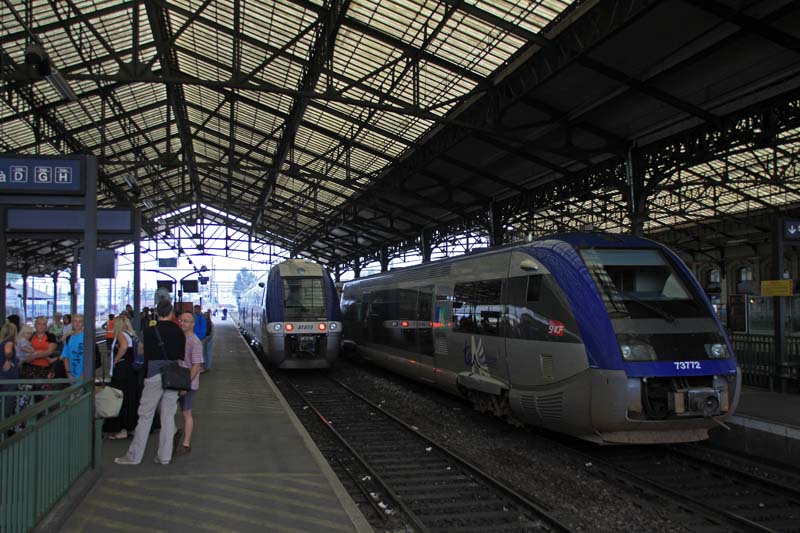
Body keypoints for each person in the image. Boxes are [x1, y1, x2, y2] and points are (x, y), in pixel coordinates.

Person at [115, 301, 185, 466]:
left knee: (145, 415)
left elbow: (141, 350)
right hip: (172, 376)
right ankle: (165, 456)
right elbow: (180, 355)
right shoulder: (178, 331)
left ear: (157, 313)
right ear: (171, 313)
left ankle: (134, 456)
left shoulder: (149, 330)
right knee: (168, 417)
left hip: (153, 375)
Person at [105, 314, 140, 440]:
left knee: (120, 398)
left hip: (122, 371)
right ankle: (131, 426)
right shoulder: (132, 335)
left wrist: (116, 359)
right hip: (131, 371)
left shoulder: (120, 334)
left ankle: (122, 429)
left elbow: (124, 346)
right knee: (131, 398)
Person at [175, 312, 204, 456]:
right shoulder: (180, 339)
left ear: (192, 324)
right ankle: (175, 432)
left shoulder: (195, 342)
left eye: (186, 321)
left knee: (186, 413)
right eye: (181, 320)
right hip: (178, 381)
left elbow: (196, 366)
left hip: (188, 384)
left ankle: (186, 444)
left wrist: (185, 384)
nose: (182, 323)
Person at [1, 322, 19, 420]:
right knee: (8, 402)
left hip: (3, 376)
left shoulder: (1, 343)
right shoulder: (9, 341)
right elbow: (8, 351)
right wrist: (9, 360)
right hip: (9, 377)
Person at [61, 314, 85, 380]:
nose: (77, 323)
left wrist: (84, 373)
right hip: (72, 375)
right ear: (72, 323)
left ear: (83, 323)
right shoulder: (68, 338)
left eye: (80, 321)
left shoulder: (87, 338)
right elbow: (65, 357)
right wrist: (68, 373)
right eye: (75, 321)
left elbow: (91, 357)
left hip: (84, 375)